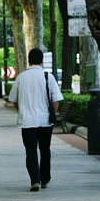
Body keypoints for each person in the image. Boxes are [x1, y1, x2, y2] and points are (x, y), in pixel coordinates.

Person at [8, 48, 63, 192]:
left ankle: (35, 181)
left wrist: (22, 110)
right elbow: (56, 100)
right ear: (42, 61)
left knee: (30, 151)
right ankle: (45, 179)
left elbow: (13, 100)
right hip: (45, 121)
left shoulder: (21, 77)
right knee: (45, 150)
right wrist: (53, 112)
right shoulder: (48, 76)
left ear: (28, 60)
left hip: (27, 122)